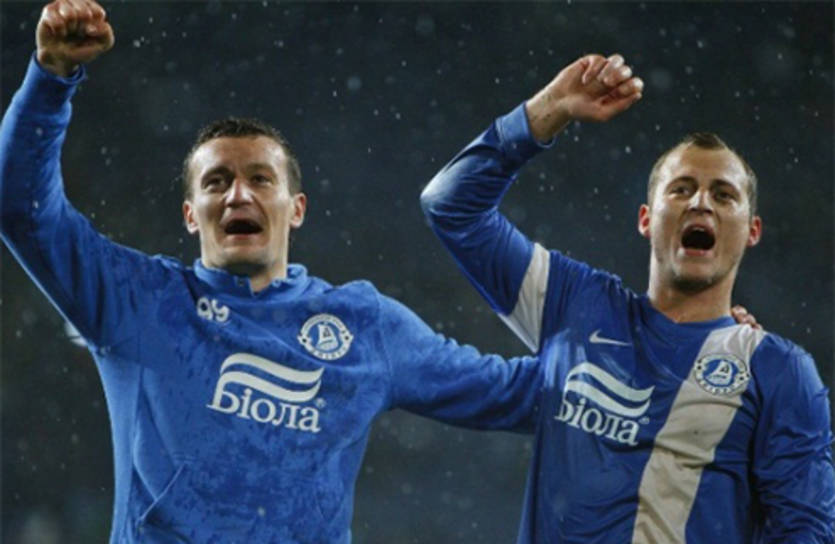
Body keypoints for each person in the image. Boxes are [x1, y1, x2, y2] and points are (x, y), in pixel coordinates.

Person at [0, 1, 549, 542]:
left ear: (297, 208)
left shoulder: (364, 324)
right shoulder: (139, 300)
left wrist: (540, 118)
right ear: (190, 215)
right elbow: (21, 208)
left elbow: (519, 394)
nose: (238, 194)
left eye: (261, 179)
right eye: (216, 182)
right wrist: (51, 77)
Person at [421, 53, 835, 542]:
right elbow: (451, 207)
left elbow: (807, 532)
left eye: (724, 195)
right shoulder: (574, 304)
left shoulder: (779, 371)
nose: (701, 202)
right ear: (645, 219)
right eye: (681, 189)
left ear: (752, 231)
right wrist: (551, 108)